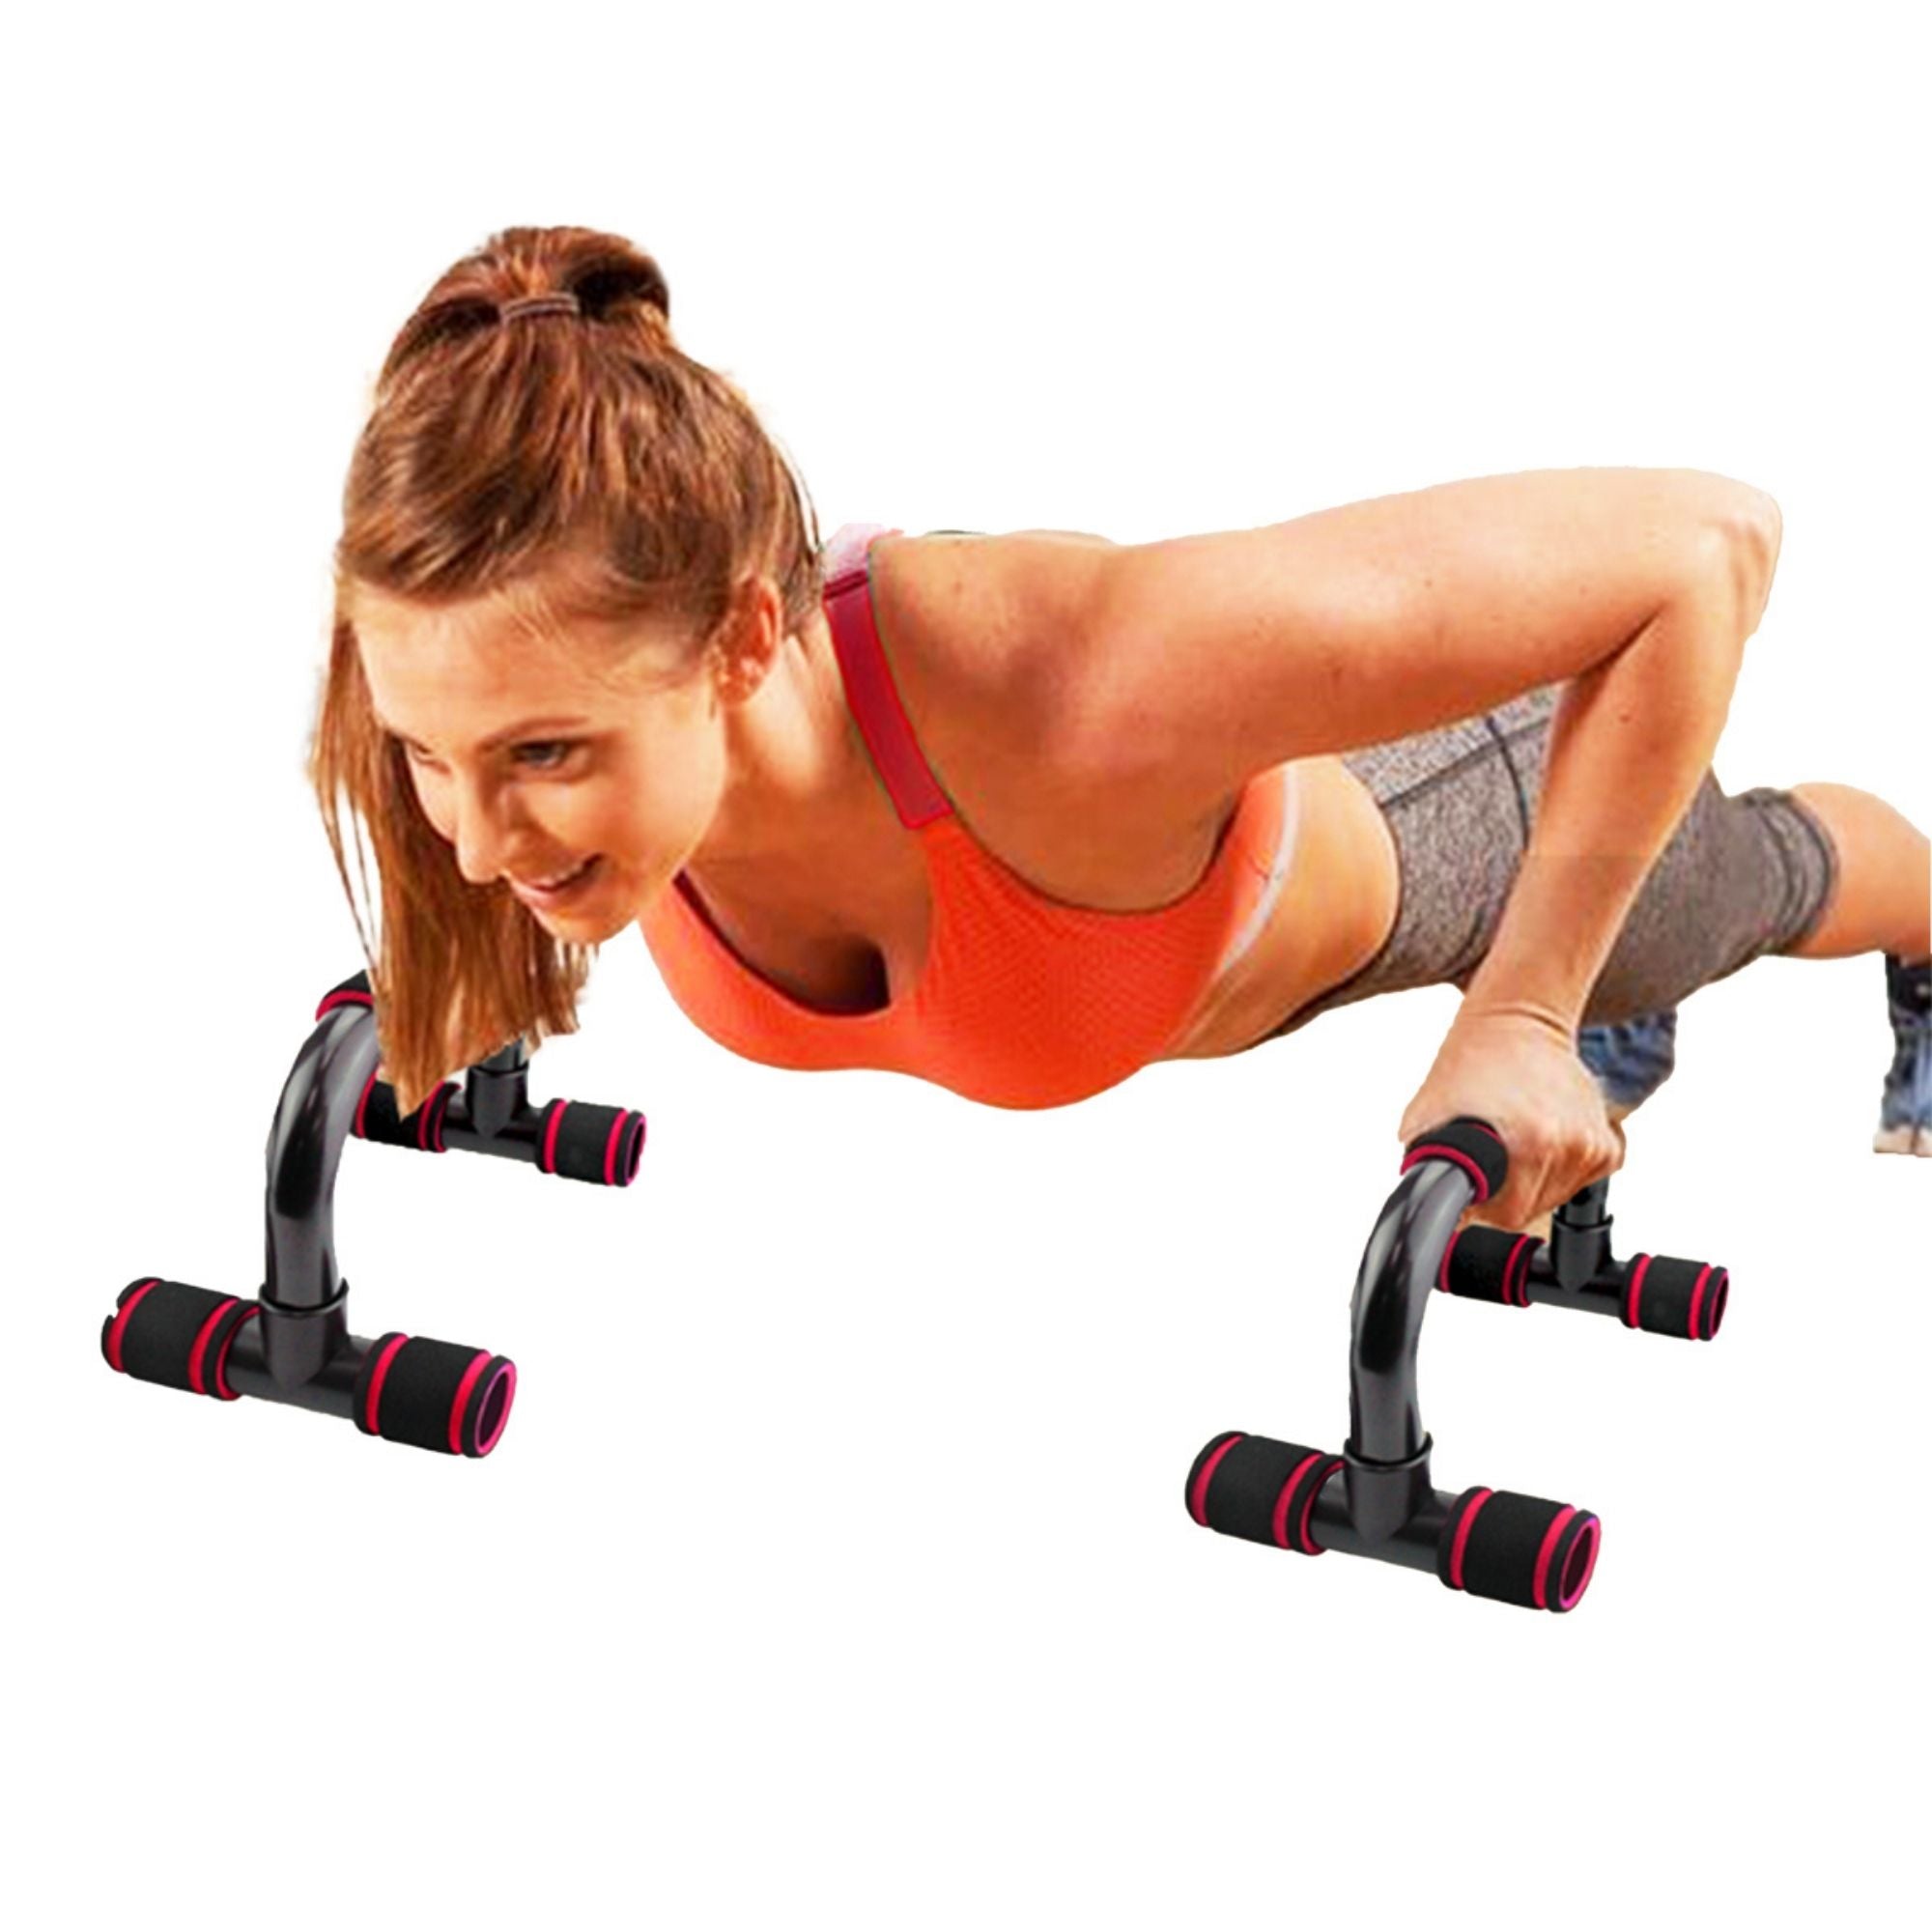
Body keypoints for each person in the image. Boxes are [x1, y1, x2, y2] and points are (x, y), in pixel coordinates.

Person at [310, 225, 1932, 1244]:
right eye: (434, 759)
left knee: (1756, 888)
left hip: (1463, 813)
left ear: (742, 636)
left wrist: (1524, 1005)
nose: (468, 836)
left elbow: (1703, 547)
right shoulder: (494, 663)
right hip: (1222, 898)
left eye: (542, 759)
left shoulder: (1066, 694)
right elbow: (460, 776)